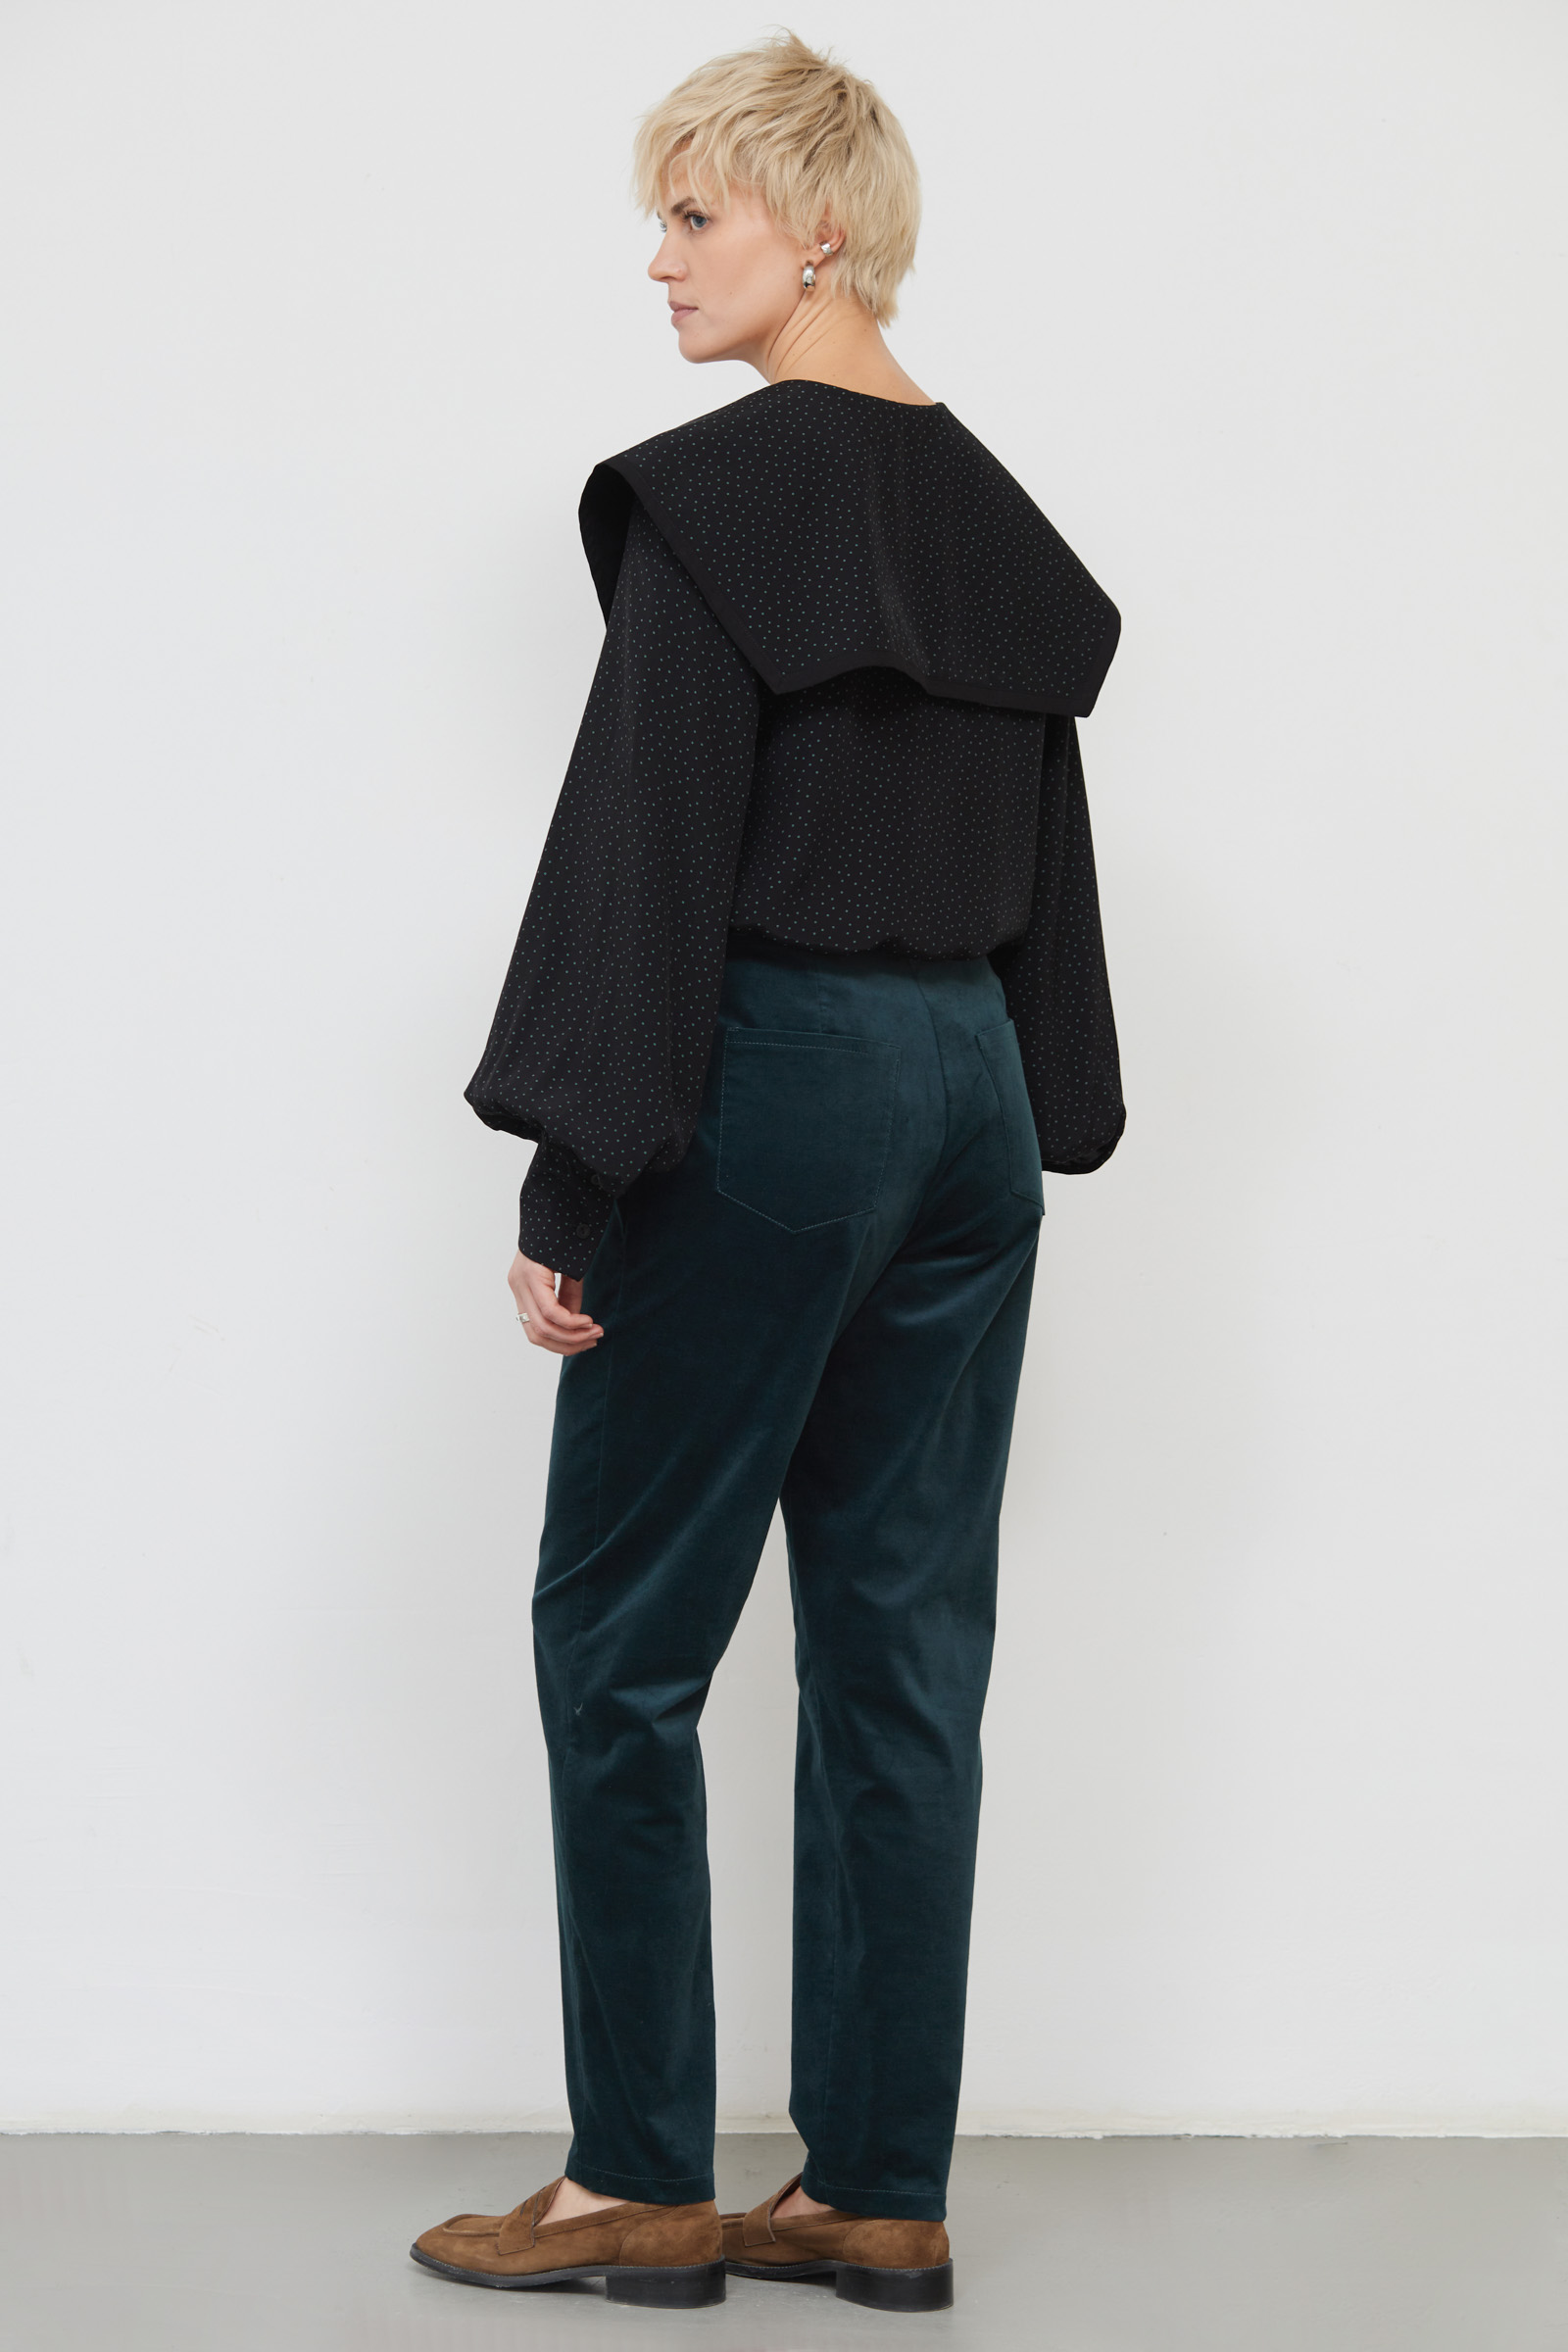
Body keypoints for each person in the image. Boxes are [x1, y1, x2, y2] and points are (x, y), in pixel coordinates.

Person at [411, 30, 1123, 2317]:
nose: (659, 258)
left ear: (815, 229)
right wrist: (1030, 1112)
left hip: (780, 1080)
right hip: (968, 1101)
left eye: (693, 214)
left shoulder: (717, 504)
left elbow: (644, 850)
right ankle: (876, 2188)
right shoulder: (996, 517)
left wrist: (572, 1185)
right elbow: (1043, 865)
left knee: (620, 1639)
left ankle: (633, 2177)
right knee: (899, 1647)